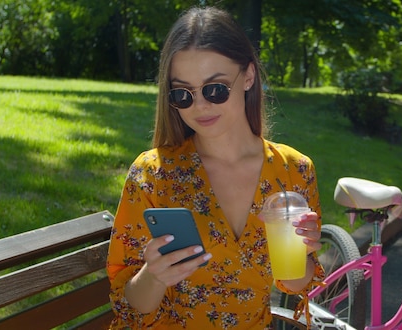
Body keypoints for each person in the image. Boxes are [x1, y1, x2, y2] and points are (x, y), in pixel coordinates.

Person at [106, 6, 324, 329]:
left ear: (248, 76)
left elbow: (294, 283)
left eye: (215, 89)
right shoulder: (153, 176)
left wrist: (303, 251)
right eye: (183, 94)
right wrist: (154, 275)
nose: (201, 105)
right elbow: (129, 307)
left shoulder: (293, 171)